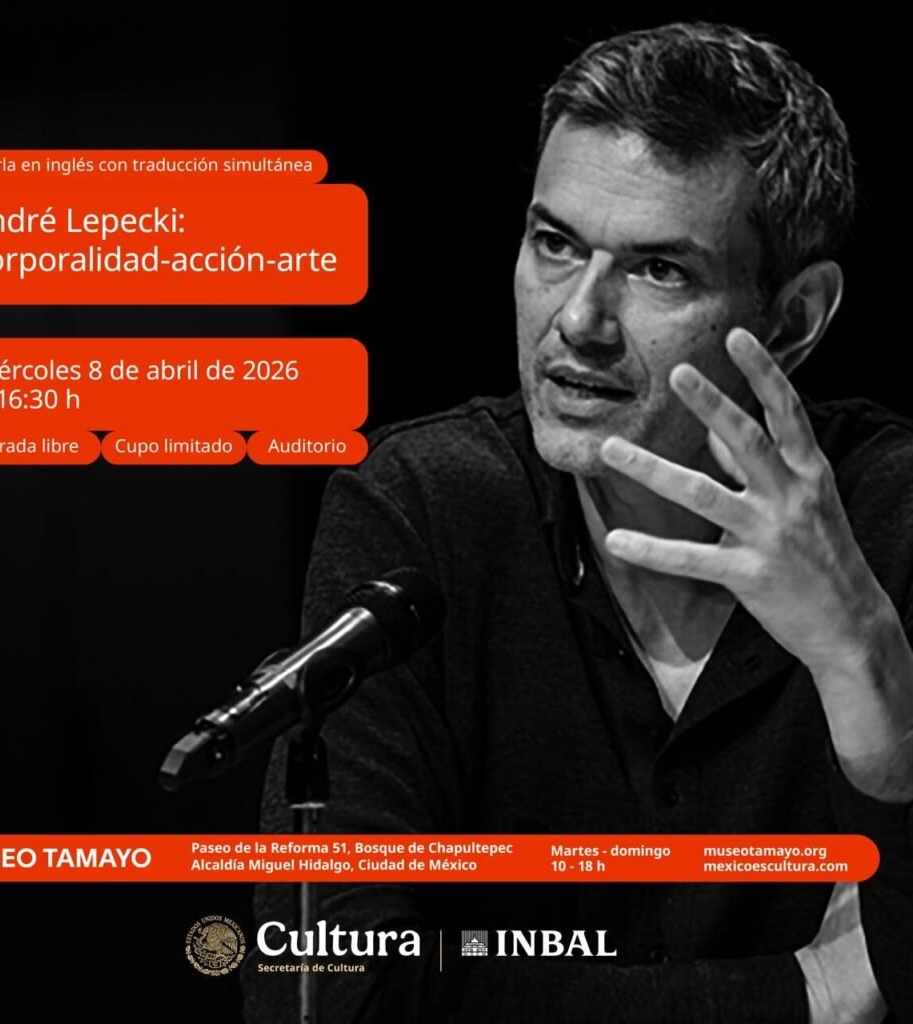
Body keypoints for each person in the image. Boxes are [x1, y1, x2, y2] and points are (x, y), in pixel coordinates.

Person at [242, 22, 913, 1023]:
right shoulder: (427, 505)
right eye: (554, 245)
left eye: (658, 270)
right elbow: (332, 987)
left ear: (793, 318)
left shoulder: (895, 521)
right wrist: (800, 994)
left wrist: (869, 680)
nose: (577, 322)